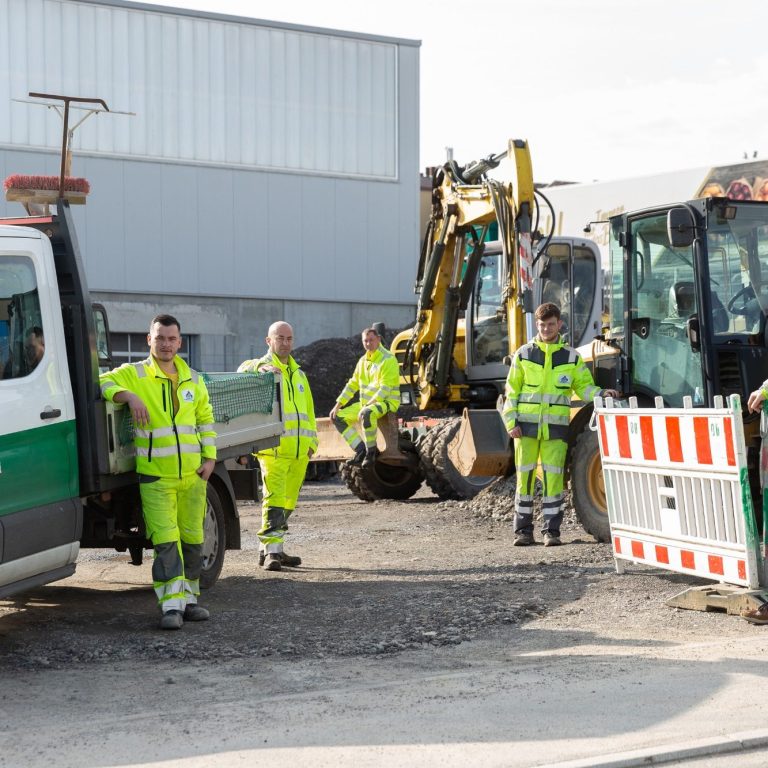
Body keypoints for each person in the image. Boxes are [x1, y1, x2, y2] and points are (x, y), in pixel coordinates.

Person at [99, 314, 217, 630]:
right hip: (157, 478)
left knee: (193, 539)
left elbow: (205, 419)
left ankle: (190, 601)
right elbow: (104, 382)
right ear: (149, 340)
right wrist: (130, 395)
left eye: (171, 339)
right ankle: (171, 607)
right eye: (160, 338)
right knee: (166, 541)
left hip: (193, 477)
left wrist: (210, 459)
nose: (166, 344)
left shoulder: (192, 378)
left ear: (179, 342)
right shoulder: (135, 374)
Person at [502, 302, 619, 547]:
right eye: (542, 325)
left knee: (554, 481)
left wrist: (601, 394)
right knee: (525, 479)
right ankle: (523, 532)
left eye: (551, 324)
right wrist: (510, 422)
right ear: (537, 325)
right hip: (524, 428)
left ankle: (551, 533)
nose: (546, 329)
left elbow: (583, 387)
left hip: (555, 430)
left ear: (559, 325)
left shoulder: (571, 357)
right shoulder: (523, 355)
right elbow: (511, 392)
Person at [237, 321, 317, 571]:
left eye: (289, 338)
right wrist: (261, 366)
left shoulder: (299, 374)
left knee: (288, 502)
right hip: (274, 450)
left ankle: (272, 549)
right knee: (274, 499)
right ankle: (272, 550)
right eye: (280, 338)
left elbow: (310, 411)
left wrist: (312, 441)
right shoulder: (261, 369)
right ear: (268, 341)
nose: (285, 343)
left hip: (299, 451)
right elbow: (242, 369)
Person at [329, 326, 400, 467]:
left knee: (367, 413)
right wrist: (338, 405)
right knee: (337, 417)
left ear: (378, 339)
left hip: (386, 402)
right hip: (366, 404)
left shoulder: (388, 359)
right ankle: (360, 450)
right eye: (365, 341)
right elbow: (352, 385)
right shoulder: (362, 361)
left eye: (371, 340)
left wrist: (369, 405)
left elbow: (385, 389)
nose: (368, 343)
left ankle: (371, 453)